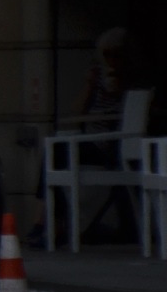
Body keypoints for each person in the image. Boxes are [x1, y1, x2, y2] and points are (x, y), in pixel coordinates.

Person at [26, 27, 143, 247]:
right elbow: (77, 110)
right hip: (92, 139)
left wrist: (119, 90)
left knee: (58, 151)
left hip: (113, 144)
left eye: (115, 54)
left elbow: (131, 114)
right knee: (55, 153)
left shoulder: (133, 80)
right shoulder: (100, 79)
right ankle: (47, 220)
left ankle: (47, 223)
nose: (111, 60)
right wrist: (90, 86)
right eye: (106, 55)